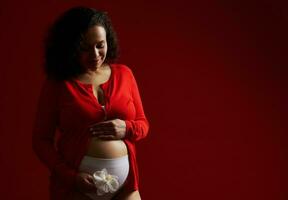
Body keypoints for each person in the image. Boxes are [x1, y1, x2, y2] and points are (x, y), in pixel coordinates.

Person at [32, 6, 149, 200]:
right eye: (85, 48)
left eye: (100, 45)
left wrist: (127, 128)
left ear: (108, 41)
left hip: (125, 187)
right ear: (70, 47)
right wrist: (71, 177)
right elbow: (40, 140)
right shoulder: (58, 84)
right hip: (76, 187)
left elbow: (143, 124)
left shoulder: (125, 74)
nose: (95, 55)